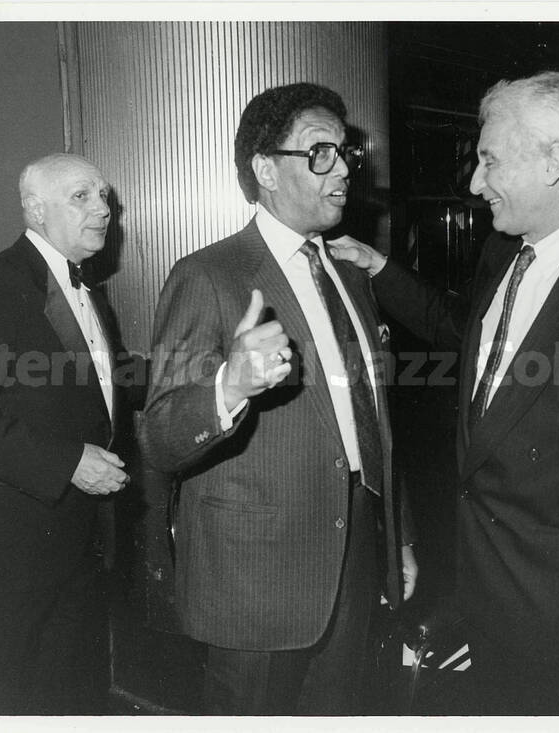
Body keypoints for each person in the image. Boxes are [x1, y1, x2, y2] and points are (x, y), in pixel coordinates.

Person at [330, 71, 559, 715]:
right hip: (482, 591)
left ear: (553, 163)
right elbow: (467, 332)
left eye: (490, 159)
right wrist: (379, 269)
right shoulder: (502, 253)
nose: (474, 181)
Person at [140, 82, 417, 715]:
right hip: (256, 575)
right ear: (266, 169)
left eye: (345, 152)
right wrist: (229, 385)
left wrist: (398, 536)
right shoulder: (210, 275)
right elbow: (158, 433)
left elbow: (373, 417)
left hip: (356, 552)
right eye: (320, 153)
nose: (343, 168)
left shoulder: (349, 273)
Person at [0, 153, 129, 714]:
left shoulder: (89, 290)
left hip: (73, 545)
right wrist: (67, 462)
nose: (103, 210)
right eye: (82, 197)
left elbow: (88, 397)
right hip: (2, 555)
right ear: (34, 209)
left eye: (105, 198)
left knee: (64, 699)